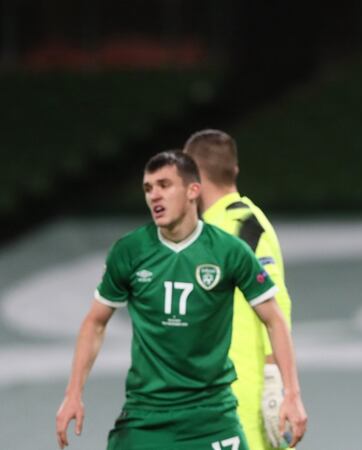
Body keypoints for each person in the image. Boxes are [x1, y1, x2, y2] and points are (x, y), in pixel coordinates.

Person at [55, 151, 307, 449]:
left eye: (164, 185)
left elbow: (274, 317)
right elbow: (95, 322)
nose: (154, 196)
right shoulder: (130, 251)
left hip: (211, 416)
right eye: (148, 188)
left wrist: (290, 393)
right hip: (146, 416)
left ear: (192, 190)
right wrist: (73, 393)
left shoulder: (230, 251)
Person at [183, 129, 295, 450]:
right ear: (233, 171)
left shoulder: (244, 228)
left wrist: (275, 382)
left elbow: (275, 305)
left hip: (241, 399)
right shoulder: (205, 231)